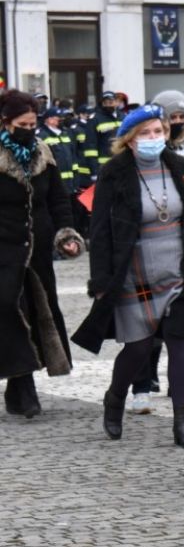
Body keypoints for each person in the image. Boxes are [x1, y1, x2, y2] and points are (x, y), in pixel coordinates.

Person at [71, 104, 184, 449]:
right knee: (138, 347)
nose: (154, 138)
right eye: (145, 133)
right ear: (130, 139)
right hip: (134, 272)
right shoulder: (114, 173)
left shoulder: (181, 167)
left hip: (180, 270)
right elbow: (100, 230)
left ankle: (182, 423)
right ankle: (115, 397)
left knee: (181, 341)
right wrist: (100, 280)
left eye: (158, 131)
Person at [124, 90, 184, 417]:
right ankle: (141, 385)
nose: (177, 123)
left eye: (182, 117)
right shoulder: (130, 164)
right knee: (146, 330)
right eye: (171, 118)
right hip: (145, 256)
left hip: (183, 249)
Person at [1, 91, 83, 418]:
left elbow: (58, 199)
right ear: (6, 122)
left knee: (36, 312)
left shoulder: (43, 153)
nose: (28, 130)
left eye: (32, 124)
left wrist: (67, 234)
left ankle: (20, 386)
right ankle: (24, 387)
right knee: (10, 310)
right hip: (4, 249)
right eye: (22, 124)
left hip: (38, 250)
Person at [81, 91, 123, 180]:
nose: (108, 105)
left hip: (123, 164)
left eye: (110, 102)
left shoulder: (123, 117)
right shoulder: (95, 119)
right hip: (104, 167)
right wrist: (94, 171)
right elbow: (90, 147)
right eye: (105, 103)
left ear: (116, 102)